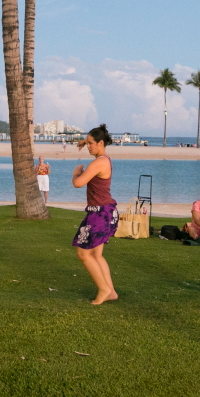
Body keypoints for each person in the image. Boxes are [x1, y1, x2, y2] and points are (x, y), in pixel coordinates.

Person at [72, 124, 119, 305]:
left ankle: (104, 289)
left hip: (99, 214)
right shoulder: (104, 158)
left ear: (100, 143)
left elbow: (78, 183)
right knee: (96, 255)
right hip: (106, 211)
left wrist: (76, 174)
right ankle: (111, 292)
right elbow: (94, 140)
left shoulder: (99, 162)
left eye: (91, 143)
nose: (88, 147)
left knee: (83, 254)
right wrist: (85, 140)